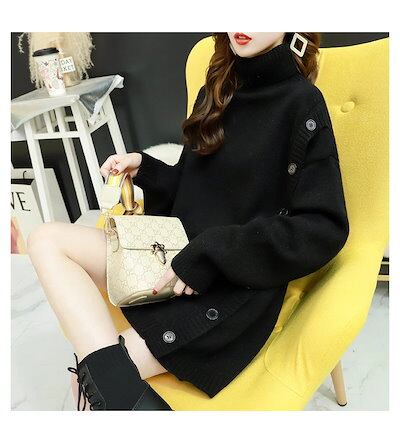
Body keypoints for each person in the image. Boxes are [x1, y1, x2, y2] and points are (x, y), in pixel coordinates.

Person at [27, 32, 349, 411]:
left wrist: (213, 250)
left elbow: (323, 227)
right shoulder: (216, 89)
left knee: (87, 382)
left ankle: (112, 386)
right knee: (45, 239)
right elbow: (195, 187)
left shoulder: (302, 104)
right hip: (172, 256)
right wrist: (146, 168)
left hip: (229, 287)